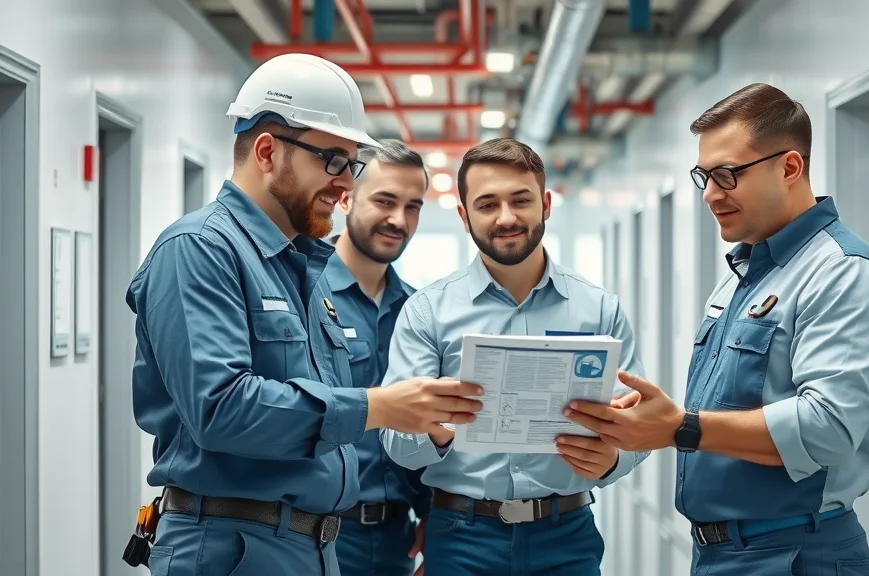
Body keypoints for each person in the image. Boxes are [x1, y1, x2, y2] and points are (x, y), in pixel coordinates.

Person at [125, 54, 482, 576]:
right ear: (267, 151)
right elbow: (220, 409)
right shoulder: (198, 250)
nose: (345, 184)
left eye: (351, 163)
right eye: (333, 160)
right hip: (233, 549)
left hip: (310, 547)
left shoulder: (300, 266)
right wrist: (376, 407)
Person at [564, 83, 869, 575]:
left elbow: (829, 429)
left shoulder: (842, 273)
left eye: (726, 174)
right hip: (725, 553)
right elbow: (734, 407)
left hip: (791, 554)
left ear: (790, 167)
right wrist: (653, 420)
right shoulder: (747, 272)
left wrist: (680, 427)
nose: (710, 194)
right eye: (703, 176)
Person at [379, 137, 649, 576]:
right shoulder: (427, 311)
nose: (506, 218)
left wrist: (616, 458)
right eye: (487, 205)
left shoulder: (599, 310)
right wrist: (441, 427)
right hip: (462, 538)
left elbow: (640, 424)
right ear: (465, 216)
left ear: (545, 204)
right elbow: (396, 443)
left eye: (520, 200)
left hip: (567, 536)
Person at [308, 140, 433, 575]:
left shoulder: (420, 312)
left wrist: (436, 518)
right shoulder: (305, 295)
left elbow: (431, 427)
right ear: (345, 198)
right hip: (318, 535)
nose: (398, 220)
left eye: (412, 206)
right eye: (385, 200)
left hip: (399, 541)